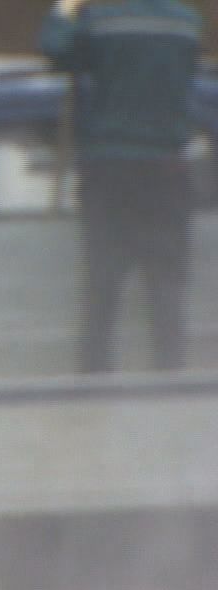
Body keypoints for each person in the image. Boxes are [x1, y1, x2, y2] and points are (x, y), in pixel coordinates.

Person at [41, 0, 204, 373]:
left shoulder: (102, 21)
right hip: (168, 170)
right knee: (166, 288)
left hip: (111, 171)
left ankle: (95, 381)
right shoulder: (187, 23)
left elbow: (57, 52)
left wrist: (64, 10)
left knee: (103, 285)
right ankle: (170, 380)